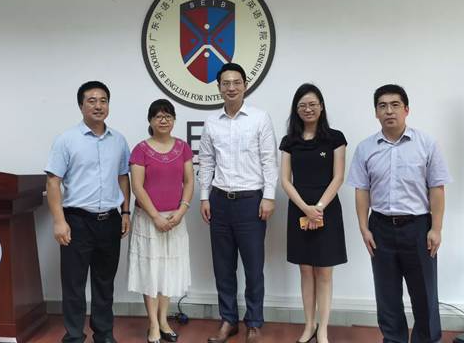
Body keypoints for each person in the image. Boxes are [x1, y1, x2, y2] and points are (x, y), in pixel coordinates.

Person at [347, 84, 452, 343]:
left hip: (418, 228)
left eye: (395, 105)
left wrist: (436, 228)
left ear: (406, 110)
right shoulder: (365, 148)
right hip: (380, 227)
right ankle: (393, 339)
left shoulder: (426, 144)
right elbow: (362, 190)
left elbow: (436, 188)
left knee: (424, 293)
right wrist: (363, 228)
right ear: (376, 113)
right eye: (382, 106)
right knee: (387, 295)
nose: (389, 111)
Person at [45, 81, 131, 343]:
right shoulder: (66, 140)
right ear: (81, 105)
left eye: (103, 100)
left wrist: (126, 212)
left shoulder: (119, 140)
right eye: (92, 101)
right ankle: (73, 336)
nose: (98, 105)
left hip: (110, 220)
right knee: (74, 284)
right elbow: (53, 182)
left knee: (105, 283)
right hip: (77, 221)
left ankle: (104, 334)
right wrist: (59, 221)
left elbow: (123, 177)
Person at [198, 63, 278, 343]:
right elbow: (206, 161)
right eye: (226, 83)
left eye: (236, 82)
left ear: (245, 85)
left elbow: (269, 160)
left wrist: (269, 196)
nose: (231, 88)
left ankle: (254, 322)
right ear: (219, 88)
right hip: (219, 201)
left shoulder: (259, 118)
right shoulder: (211, 123)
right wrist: (204, 197)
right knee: (223, 266)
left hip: (251, 202)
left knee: (254, 268)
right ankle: (228, 320)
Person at [280, 83, 347, 343]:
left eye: (312, 104)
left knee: (324, 272)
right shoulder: (289, 141)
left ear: (321, 107)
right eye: (302, 105)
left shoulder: (335, 138)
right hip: (299, 209)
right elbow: (285, 181)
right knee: (305, 270)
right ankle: (309, 325)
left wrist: (317, 209)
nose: (308, 109)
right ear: (296, 110)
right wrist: (305, 208)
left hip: (326, 210)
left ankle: (323, 329)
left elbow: (338, 177)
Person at [128, 99, 194, 343]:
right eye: (158, 116)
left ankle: (164, 320)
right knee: (151, 271)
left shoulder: (183, 147)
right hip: (148, 220)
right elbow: (137, 187)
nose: (163, 120)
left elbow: (189, 181)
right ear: (150, 120)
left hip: (175, 219)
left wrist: (181, 211)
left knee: (168, 270)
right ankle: (153, 325)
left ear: (174, 119)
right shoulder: (140, 149)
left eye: (168, 116)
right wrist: (156, 216)